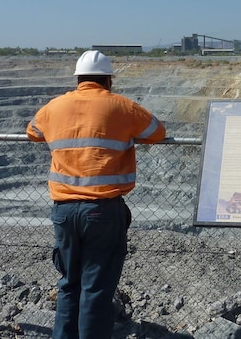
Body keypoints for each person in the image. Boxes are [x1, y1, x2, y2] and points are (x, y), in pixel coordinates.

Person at [26, 50, 166, 338]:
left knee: (68, 284)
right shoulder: (122, 107)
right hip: (103, 210)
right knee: (96, 288)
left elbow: (33, 132)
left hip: (64, 210)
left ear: (79, 79)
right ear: (108, 80)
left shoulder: (55, 106)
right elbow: (157, 132)